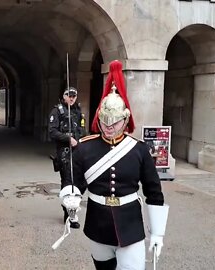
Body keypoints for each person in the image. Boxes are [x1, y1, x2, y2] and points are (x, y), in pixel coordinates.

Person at [59, 60, 169, 270]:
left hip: (130, 223)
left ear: (126, 120)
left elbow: (154, 192)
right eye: (104, 121)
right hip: (97, 223)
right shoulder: (84, 148)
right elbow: (73, 179)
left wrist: (157, 232)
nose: (108, 127)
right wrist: (69, 195)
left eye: (115, 122)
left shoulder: (139, 149)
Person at [48, 86, 86, 228]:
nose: (71, 98)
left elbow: (82, 130)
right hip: (64, 153)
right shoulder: (57, 111)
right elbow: (52, 131)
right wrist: (67, 139)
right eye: (69, 96)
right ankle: (70, 215)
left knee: (82, 183)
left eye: (74, 96)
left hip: (79, 151)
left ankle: (72, 206)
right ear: (64, 96)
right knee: (68, 184)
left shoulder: (77, 110)